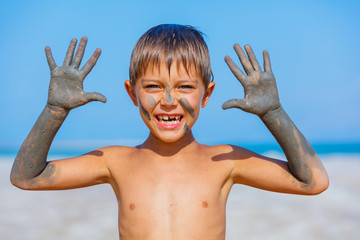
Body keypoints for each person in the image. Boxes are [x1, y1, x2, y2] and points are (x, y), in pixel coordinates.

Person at [10, 24, 329, 240]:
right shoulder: (115, 161)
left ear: (207, 94)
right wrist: (54, 111)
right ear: (132, 93)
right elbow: (27, 177)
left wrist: (274, 114)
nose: (167, 101)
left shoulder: (225, 161)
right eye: (152, 87)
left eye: (185, 87)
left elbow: (313, 182)